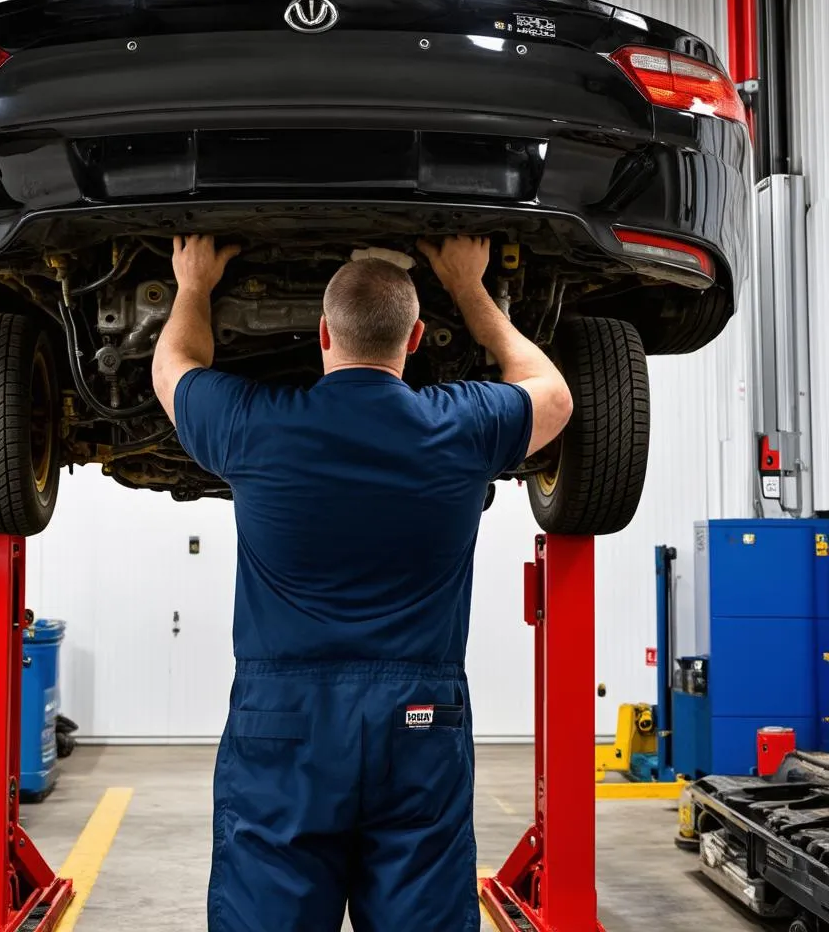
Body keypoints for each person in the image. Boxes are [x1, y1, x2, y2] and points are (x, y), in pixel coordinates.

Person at [152, 234, 572, 932]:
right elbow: (551, 396)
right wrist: (470, 287)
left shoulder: (255, 426)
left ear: (322, 332)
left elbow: (173, 367)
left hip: (281, 721)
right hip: (418, 720)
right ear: (413, 338)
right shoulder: (458, 425)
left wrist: (193, 285)